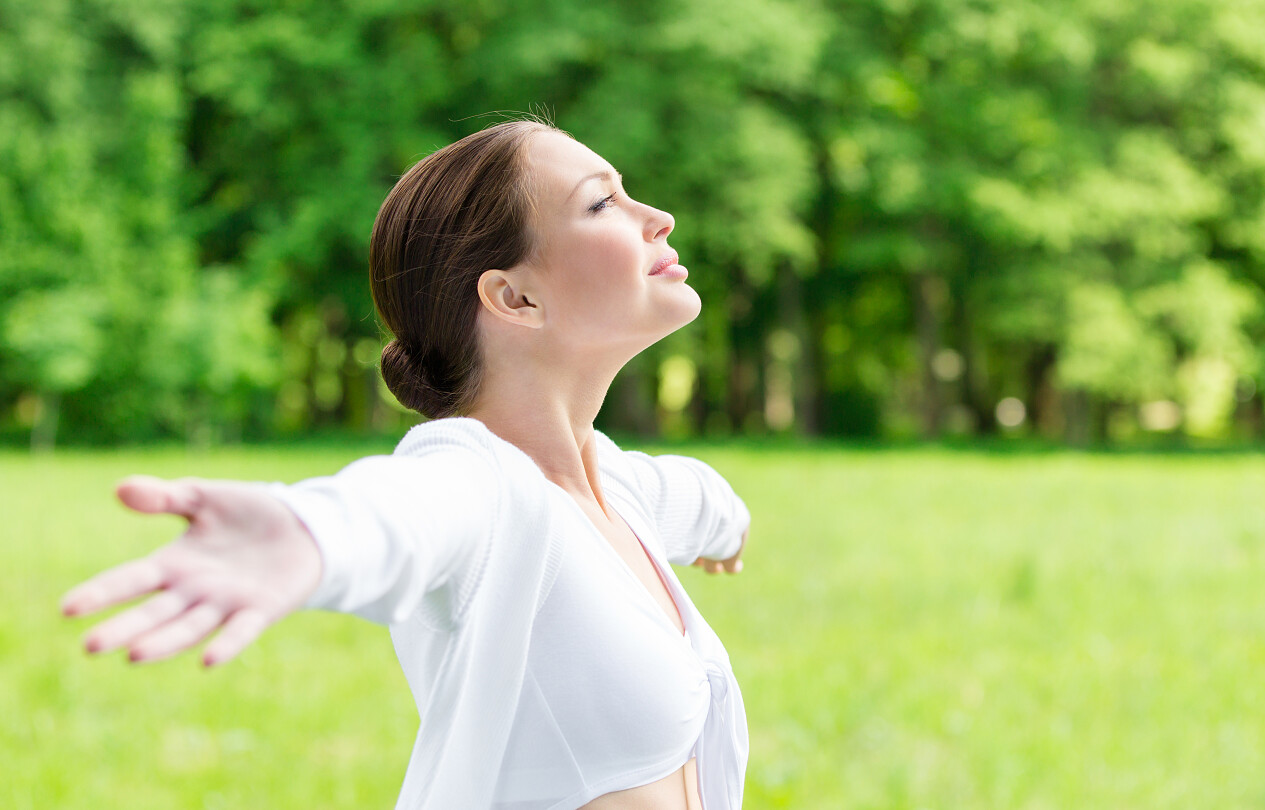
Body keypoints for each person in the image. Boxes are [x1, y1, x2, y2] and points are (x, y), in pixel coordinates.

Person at [61, 118, 751, 810]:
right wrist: (307, 534)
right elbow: (406, 510)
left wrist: (729, 528)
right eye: (603, 203)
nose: (658, 218)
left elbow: (701, 497)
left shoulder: (614, 487)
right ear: (515, 297)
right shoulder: (486, 486)